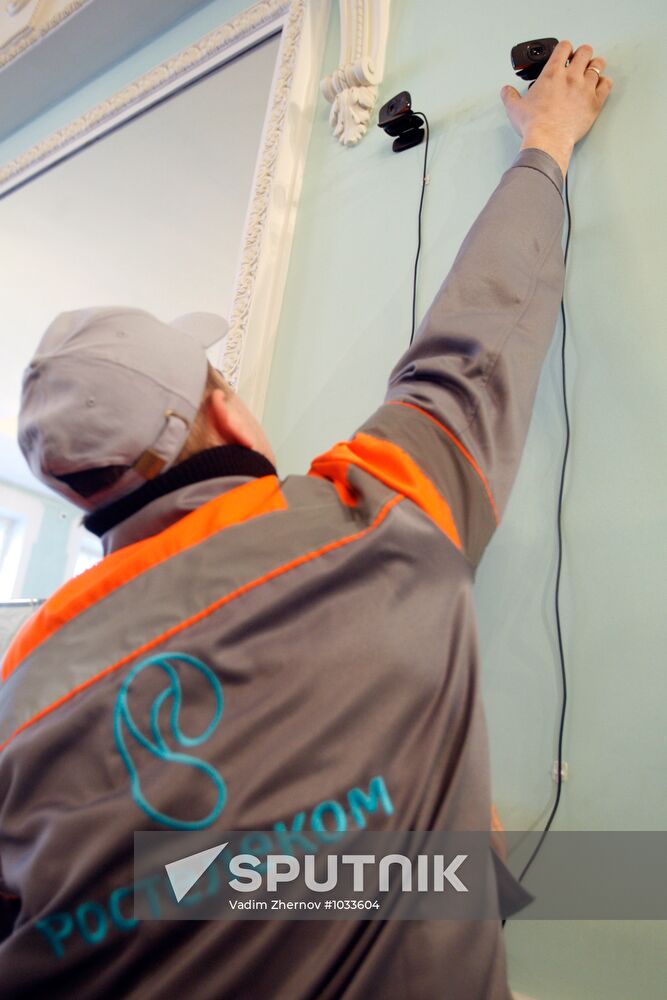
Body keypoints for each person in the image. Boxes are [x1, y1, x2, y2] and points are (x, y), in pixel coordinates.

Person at [0, 40, 611, 999]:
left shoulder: (19, 696)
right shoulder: (374, 515)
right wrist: (548, 141)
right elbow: (480, 335)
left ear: (82, 492)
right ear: (230, 415)